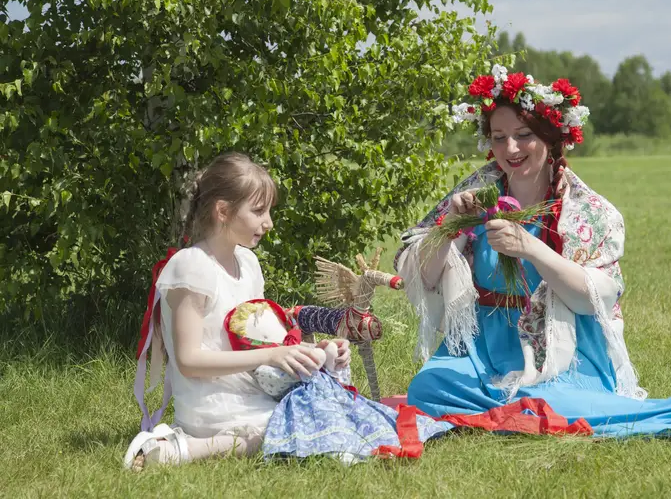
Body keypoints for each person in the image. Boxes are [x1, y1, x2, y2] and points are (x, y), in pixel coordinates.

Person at [395, 65, 671, 437]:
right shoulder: (474, 196)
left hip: (560, 347)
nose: (510, 149)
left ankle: (528, 405)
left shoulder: (587, 211)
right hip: (480, 349)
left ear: (551, 138)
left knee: (553, 401)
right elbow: (421, 275)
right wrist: (449, 230)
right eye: (499, 137)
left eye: (523, 135)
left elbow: (595, 300)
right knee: (427, 388)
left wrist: (531, 249)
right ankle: (517, 409)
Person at [123, 152, 447, 469]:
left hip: (252, 388)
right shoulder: (191, 267)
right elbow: (189, 361)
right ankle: (183, 449)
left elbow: (261, 341)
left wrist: (314, 352)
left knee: (322, 413)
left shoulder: (247, 262)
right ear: (223, 211)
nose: (269, 223)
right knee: (292, 428)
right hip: (212, 401)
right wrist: (271, 357)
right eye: (259, 211)